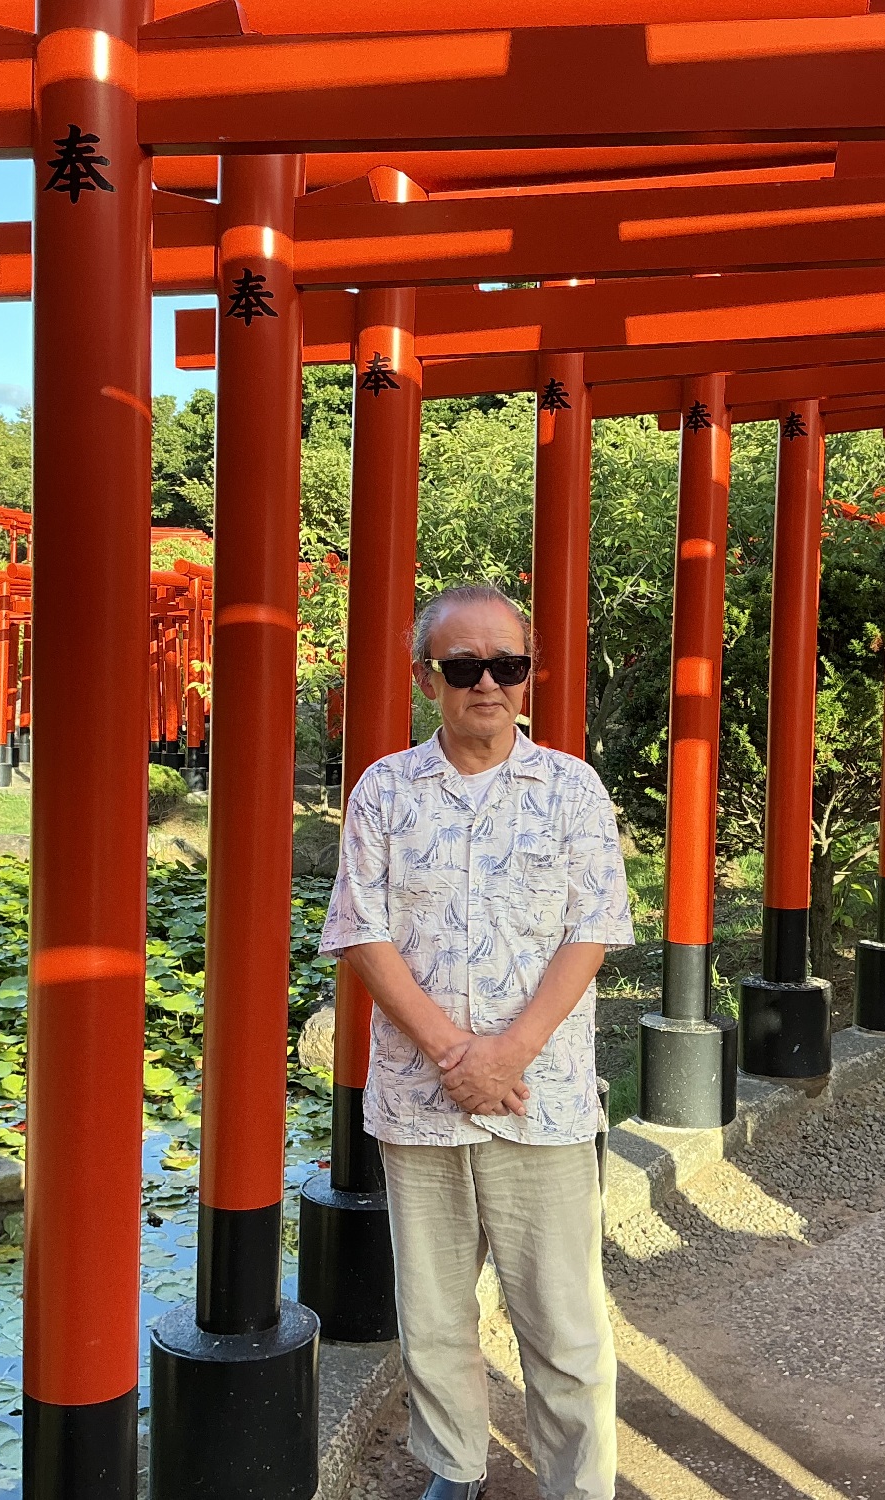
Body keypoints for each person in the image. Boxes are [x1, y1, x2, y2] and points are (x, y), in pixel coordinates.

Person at [320, 583, 632, 1500]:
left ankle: (579, 1487)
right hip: (422, 1103)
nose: (487, 684)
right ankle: (454, 1471)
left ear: (530, 678)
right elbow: (361, 932)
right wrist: (456, 1053)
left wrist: (507, 1056)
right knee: (435, 1318)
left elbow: (594, 930)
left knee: (565, 1323)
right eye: (464, 667)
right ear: (428, 679)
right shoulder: (383, 789)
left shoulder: (573, 789)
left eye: (507, 665)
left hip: (545, 1098)